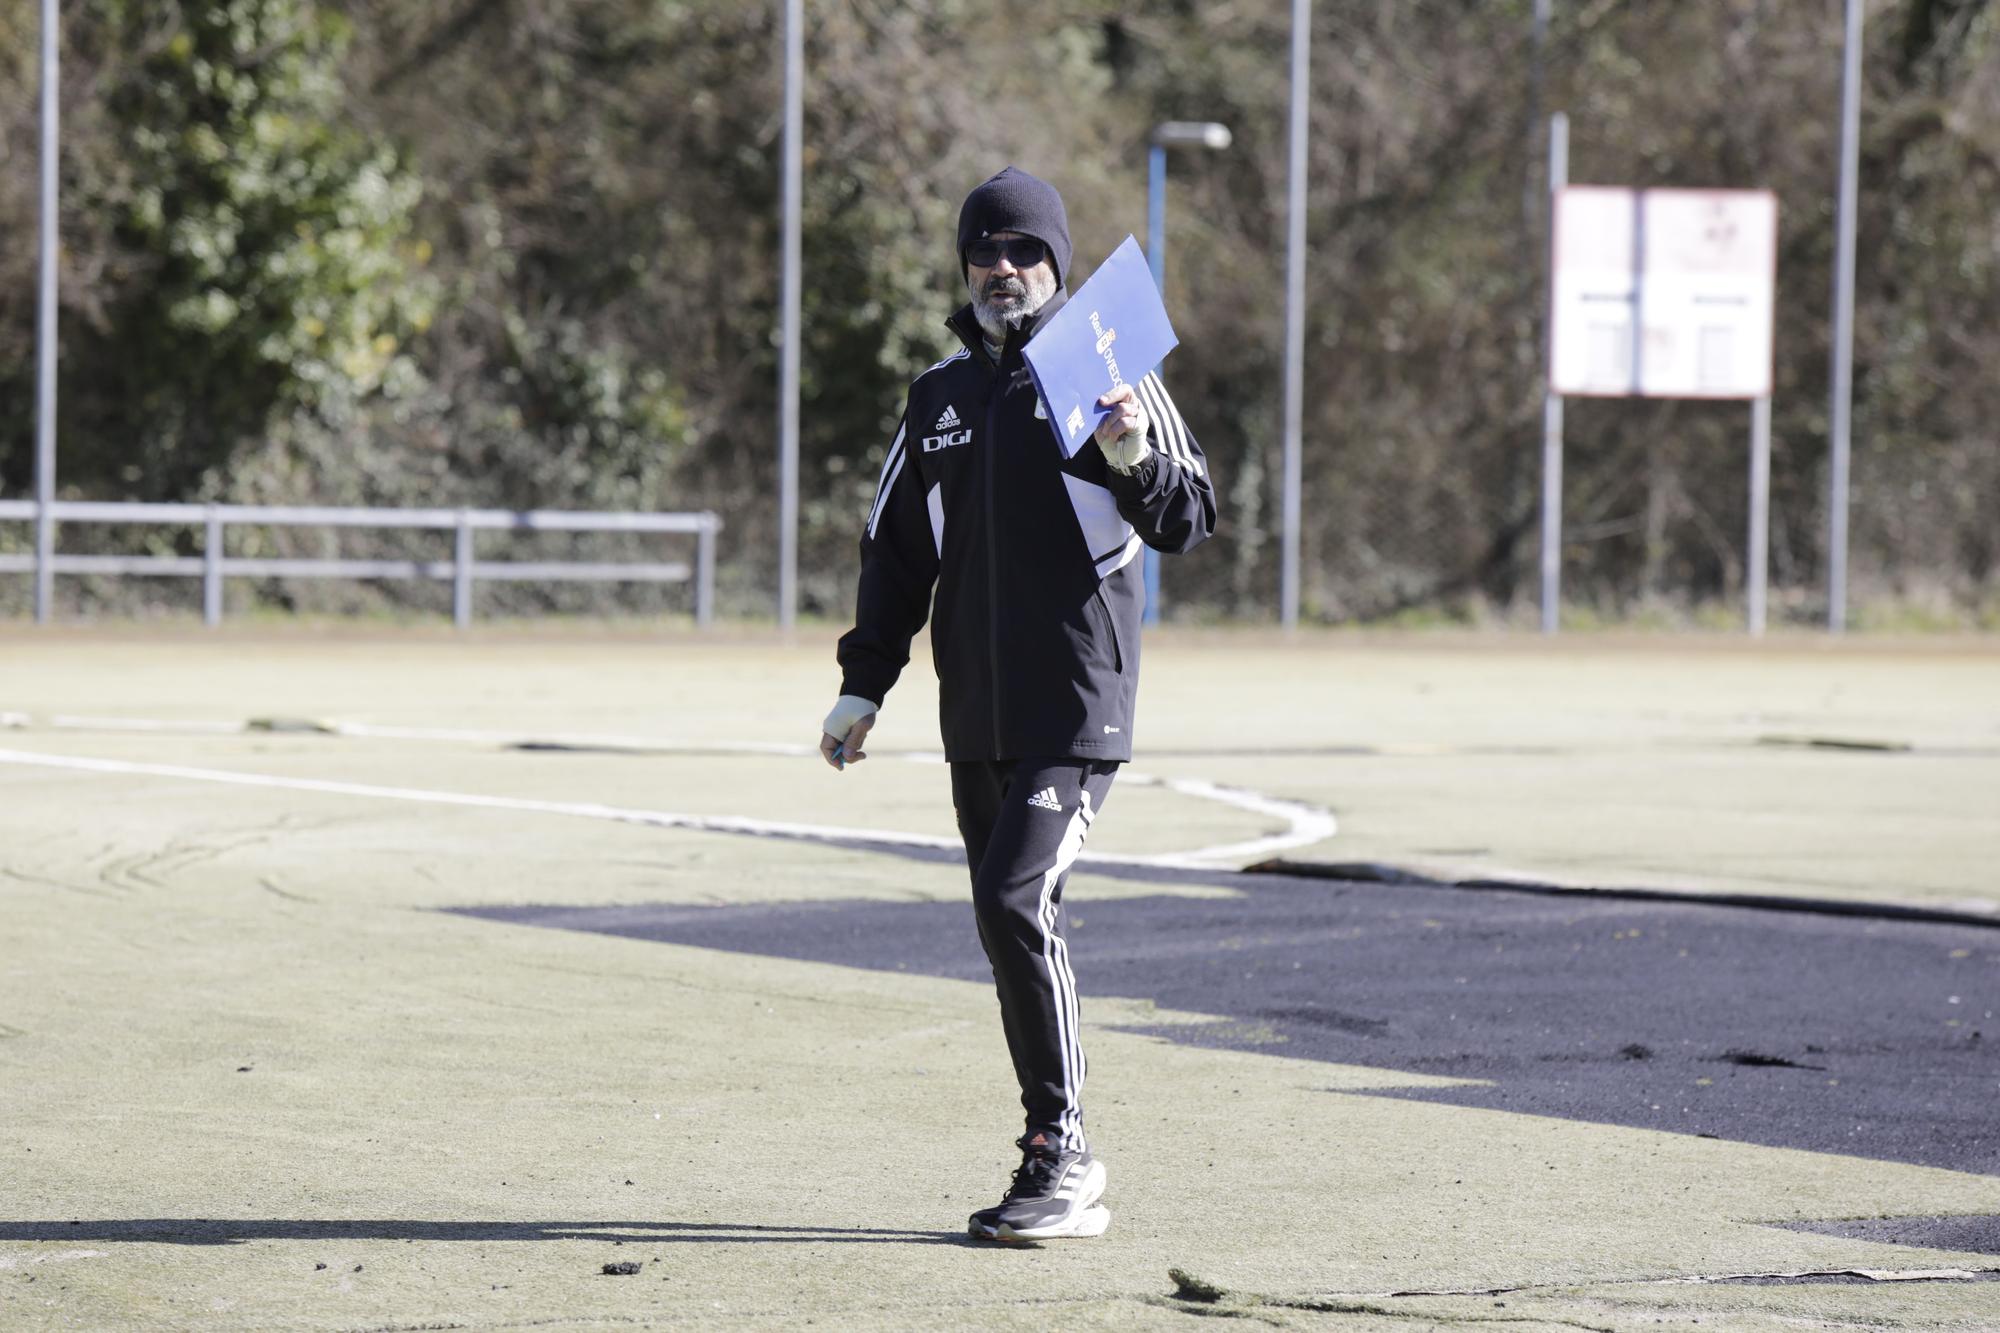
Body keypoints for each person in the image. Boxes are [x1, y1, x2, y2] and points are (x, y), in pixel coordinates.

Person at [817, 166, 1216, 1242]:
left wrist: (1129, 449)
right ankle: (1051, 1146)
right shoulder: (937, 398)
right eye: (984, 252)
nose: (1003, 269)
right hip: (975, 718)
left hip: (1076, 709)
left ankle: (1063, 1155)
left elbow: (1186, 512)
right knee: (1009, 925)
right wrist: (863, 682)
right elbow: (893, 552)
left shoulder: (1105, 371)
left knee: (1012, 903)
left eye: (1023, 252)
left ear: (1056, 266)